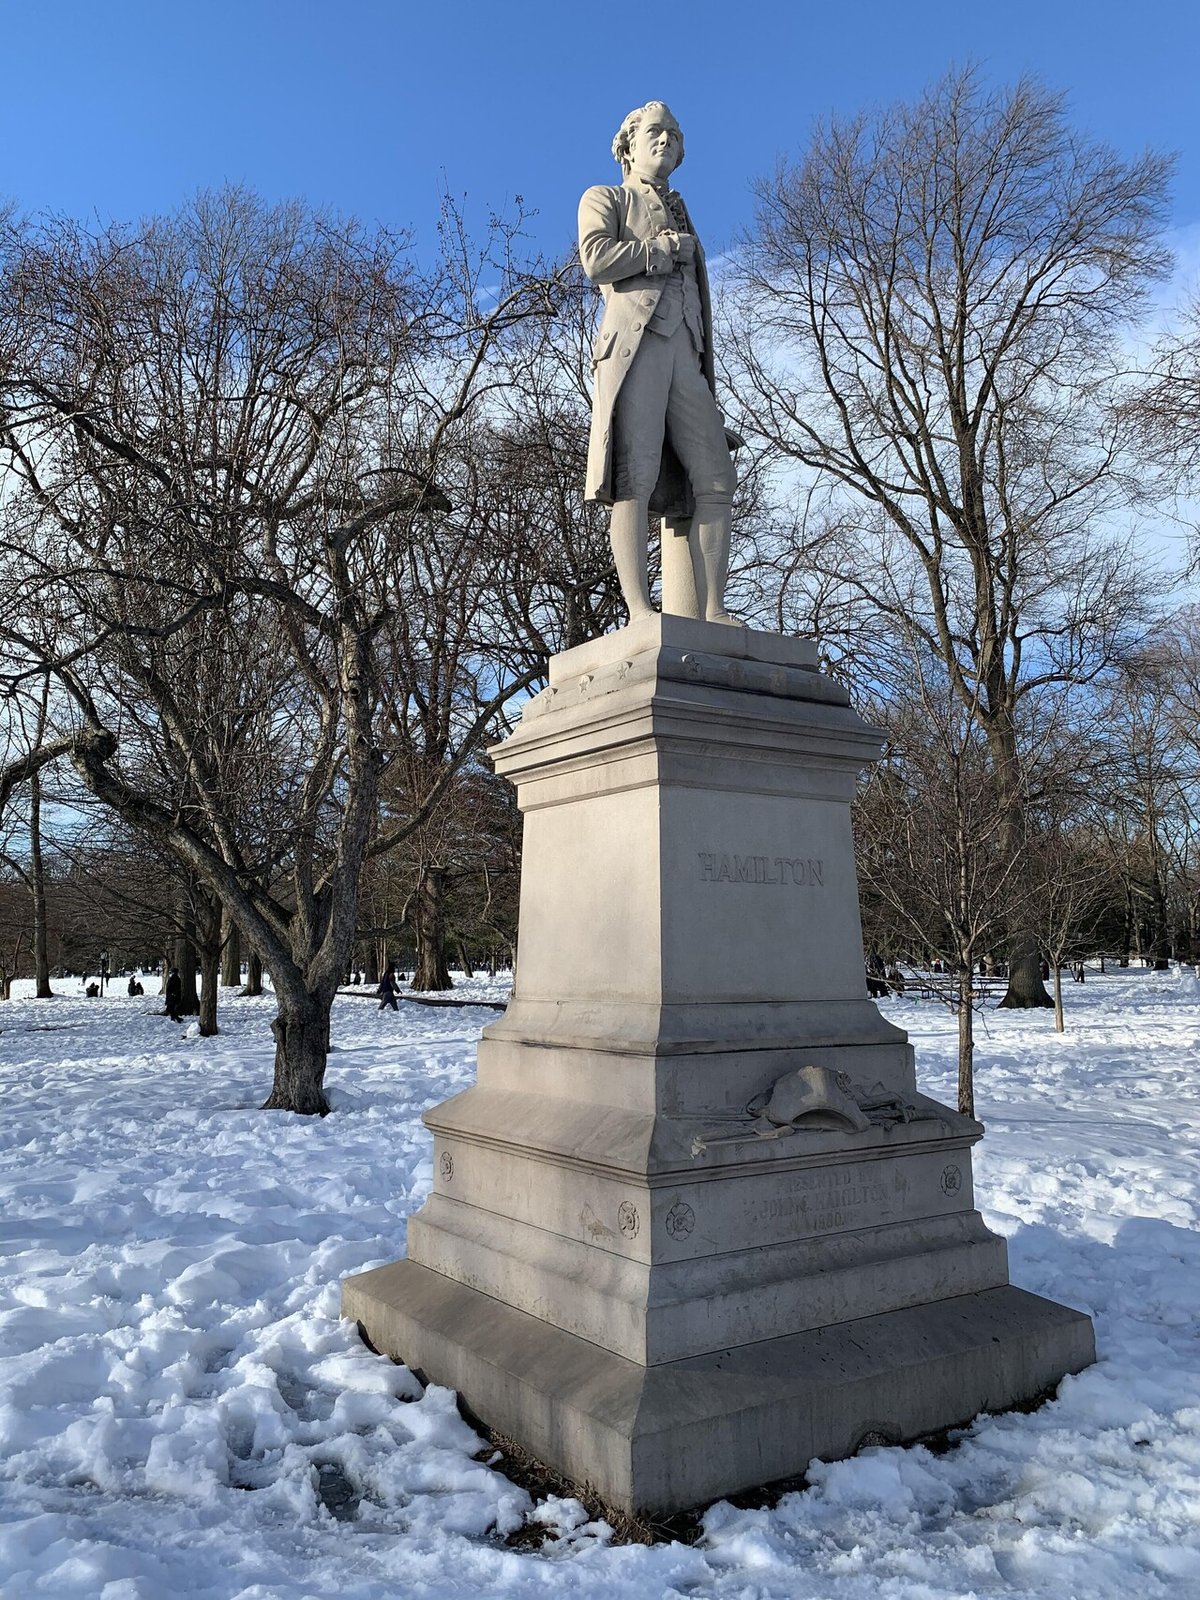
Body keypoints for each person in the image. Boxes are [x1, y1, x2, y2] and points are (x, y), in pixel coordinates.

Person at [578, 101, 738, 625]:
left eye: (674, 132)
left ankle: (713, 610)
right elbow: (596, 258)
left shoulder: (685, 208)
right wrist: (658, 252)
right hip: (636, 351)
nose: (666, 138)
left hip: (685, 356)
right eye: (655, 131)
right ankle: (641, 612)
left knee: (715, 479)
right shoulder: (606, 197)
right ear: (627, 145)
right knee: (634, 477)